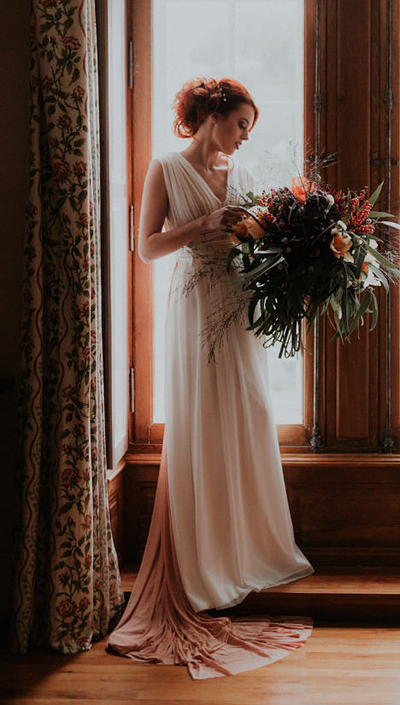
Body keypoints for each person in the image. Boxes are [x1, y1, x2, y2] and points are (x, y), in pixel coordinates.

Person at [107, 77, 313, 679]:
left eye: (250, 128)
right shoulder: (166, 169)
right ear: (212, 114)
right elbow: (144, 248)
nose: (245, 138)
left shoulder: (244, 178)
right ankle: (200, 563)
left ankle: (244, 550)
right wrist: (203, 227)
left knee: (245, 417)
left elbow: (262, 241)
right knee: (200, 421)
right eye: (241, 124)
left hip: (242, 304)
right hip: (196, 302)